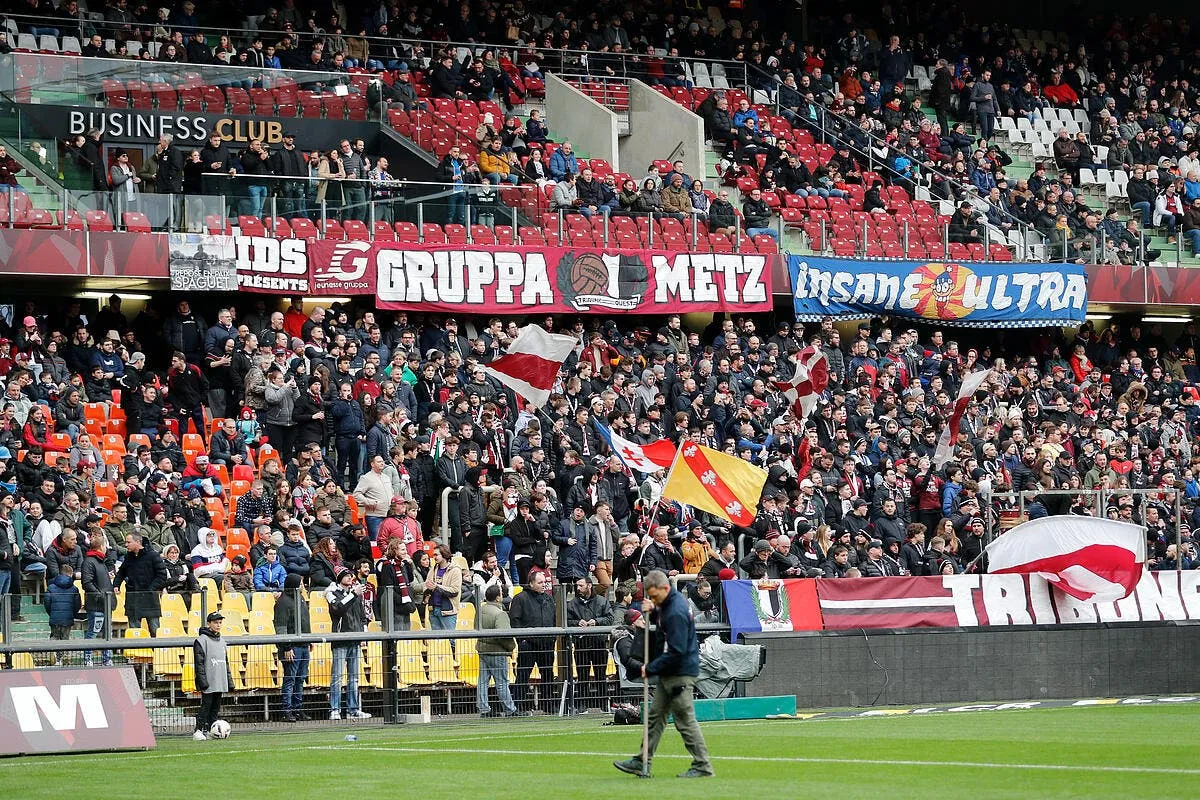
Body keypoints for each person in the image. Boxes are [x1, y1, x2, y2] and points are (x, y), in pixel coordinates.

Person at [614, 569, 713, 779]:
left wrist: (649, 668)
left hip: (680, 671)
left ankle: (703, 765)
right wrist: (655, 609)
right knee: (655, 717)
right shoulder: (669, 603)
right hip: (670, 670)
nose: (653, 599)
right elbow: (663, 621)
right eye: (650, 597)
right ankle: (642, 761)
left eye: (656, 596)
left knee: (684, 720)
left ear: (666, 588)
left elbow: (676, 651)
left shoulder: (676, 611)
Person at [325, 567, 371, 720]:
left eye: (351, 575)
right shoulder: (332, 593)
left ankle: (353, 709)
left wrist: (363, 634)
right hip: (340, 640)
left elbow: (362, 616)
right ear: (340, 578)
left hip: (355, 639)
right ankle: (335, 709)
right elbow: (337, 609)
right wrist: (352, 595)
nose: (350, 578)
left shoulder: (355, 595)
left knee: (354, 677)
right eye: (347, 576)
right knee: (337, 677)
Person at [509, 569, 557, 713]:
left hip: (546, 643)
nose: (543, 585)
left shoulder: (549, 599)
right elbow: (515, 620)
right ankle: (518, 705)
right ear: (531, 583)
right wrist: (522, 640)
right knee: (523, 676)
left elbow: (554, 618)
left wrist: (552, 638)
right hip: (528, 644)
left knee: (548, 676)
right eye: (540, 582)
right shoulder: (520, 598)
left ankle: (548, 705)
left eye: (545, 582)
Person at [477, 583, 521, 718]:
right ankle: (510, 709)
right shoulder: (500, 614)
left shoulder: (480, 610)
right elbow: (504, 635)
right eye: (501, 594)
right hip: (497, 651)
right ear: (497, 598)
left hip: (482, 649)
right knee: (502, 682)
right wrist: (511, 647)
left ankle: (484, 709)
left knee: (482, 682)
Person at [274, 573, 311, 721]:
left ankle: (297, 709)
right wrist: (286, 647)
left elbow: (304, 620)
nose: (303, 586)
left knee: (300, 678)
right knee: (290, 679)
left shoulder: (299, 598)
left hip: (303, 644)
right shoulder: (283, 603)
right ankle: (287, 710)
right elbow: (281, 627)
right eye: (301, 583)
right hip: (292, 647)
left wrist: (309, 639)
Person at [116, 533, 168, 636]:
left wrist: (150, 589)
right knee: (134, 632)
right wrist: (116, 585)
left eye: (128, 542)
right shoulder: (128, 557)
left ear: (138, 542)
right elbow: (121, 572)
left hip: (150, 599)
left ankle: (157, 652)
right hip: (133, 599)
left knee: (155, 630)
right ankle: (136, 652)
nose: (126, 545)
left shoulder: (153, 555)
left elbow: (162, 576)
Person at [192, 611, 231, 740]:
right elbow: (199, 663)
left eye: (220, 622)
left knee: (215, 707)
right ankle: (198, 730)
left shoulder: (222, 641)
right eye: (215, 622)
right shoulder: (201, 641)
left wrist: (229, 680)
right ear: (209, 624)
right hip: (209, 679)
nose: (218, 625)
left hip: (219, 679)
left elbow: (225, 662)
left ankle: (210, 730)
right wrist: (202, 680)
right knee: (206, 706)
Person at [424, 544, 462, 631]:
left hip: (448, 611)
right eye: (434, 555)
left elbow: (454, 591)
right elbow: (427, 585)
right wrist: (427, 590)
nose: (434, 557)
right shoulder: (432, 569)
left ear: (444, 554)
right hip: (433, 610)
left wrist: (436, 587)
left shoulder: (455, 570)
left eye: (436, 555)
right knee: (437, 642)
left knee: (450, 641)